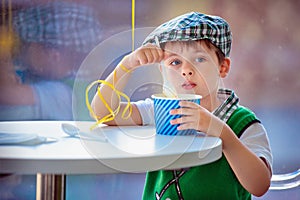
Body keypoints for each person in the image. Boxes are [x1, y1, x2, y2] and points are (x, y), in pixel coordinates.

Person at [91, 12, 272, 199]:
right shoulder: (160, 110)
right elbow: (105, 113)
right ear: (162, 70)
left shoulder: (243, 122)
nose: (186, 70)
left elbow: (259, 185)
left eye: (199, 59)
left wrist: (221, 132)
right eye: (175, 62)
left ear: (222, 67)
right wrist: (126, 65)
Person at [0, 1, 102, 120]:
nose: (22, 54)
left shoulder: (61, 92)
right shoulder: (81, 84)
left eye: (28, 46)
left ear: (53, 55)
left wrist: (3, 57)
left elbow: (7, 94)